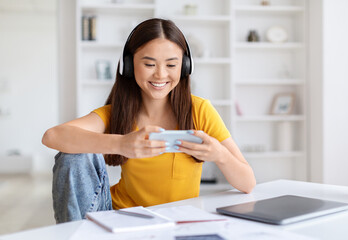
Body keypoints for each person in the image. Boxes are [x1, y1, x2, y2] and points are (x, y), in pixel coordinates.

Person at [42, 18, 256, 223]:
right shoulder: (115, 113)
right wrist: (121, 144)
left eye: (171, 65)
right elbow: (52, 136)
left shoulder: (199, 110)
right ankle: (77, 234)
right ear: (128, 65)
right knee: (72, 156)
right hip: (117, 215)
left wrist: (219, 155)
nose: (160, 75)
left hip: (176, 219)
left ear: (185, 67)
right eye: (149, 64)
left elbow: (248, 183)